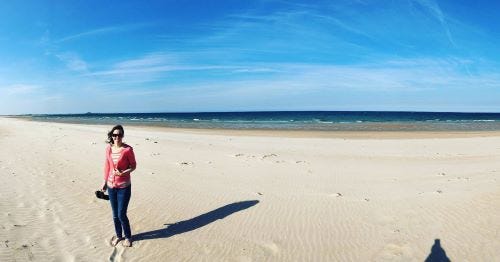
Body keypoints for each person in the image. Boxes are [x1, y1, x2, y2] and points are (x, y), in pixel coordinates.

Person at [101, 125, 136, 247]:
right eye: (114, 135)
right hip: (111, 186)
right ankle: (119, 235)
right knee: (115, 214)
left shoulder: (128, 150)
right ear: (111, 136)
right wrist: (105, 182)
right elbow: (107, 166)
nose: (117, 137)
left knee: (121, 214)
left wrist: (123, 172)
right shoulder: (108, 149)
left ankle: (128, 237)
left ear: (122, 136)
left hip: (124, 187)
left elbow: (133, 166)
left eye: (119, 135)